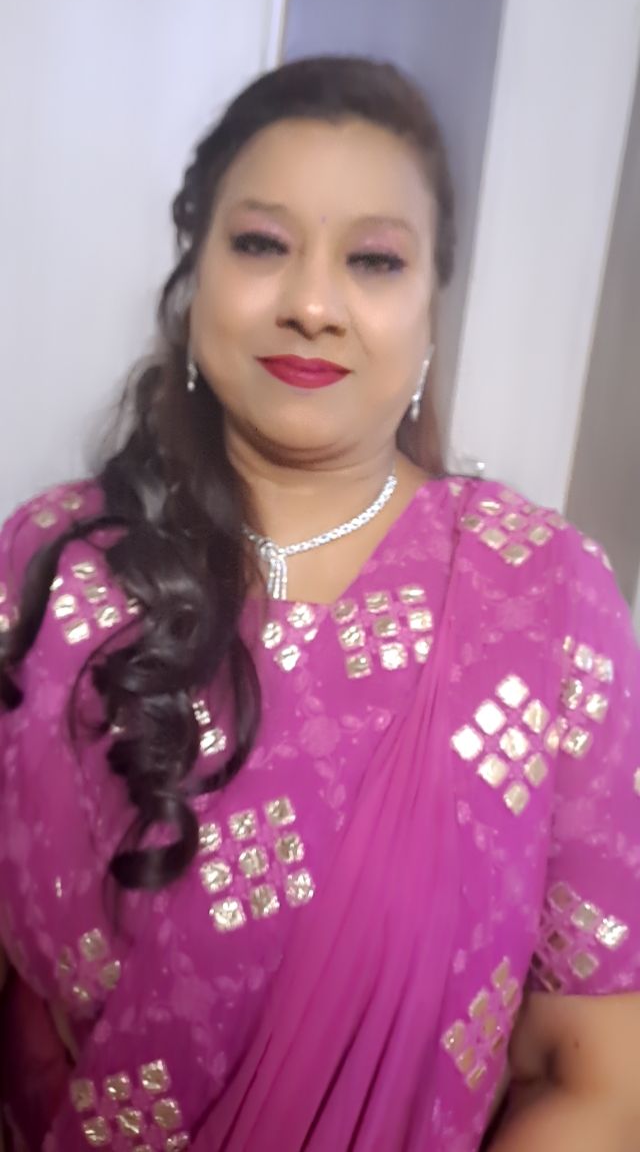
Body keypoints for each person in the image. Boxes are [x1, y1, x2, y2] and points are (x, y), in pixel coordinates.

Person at [0, 56, 638, 1152]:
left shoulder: (544, 601)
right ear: (195, 273)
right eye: (261, 244)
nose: (310, 302)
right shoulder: (51, 571)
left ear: (430, 310)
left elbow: (597, 1075)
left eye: (374, 260)